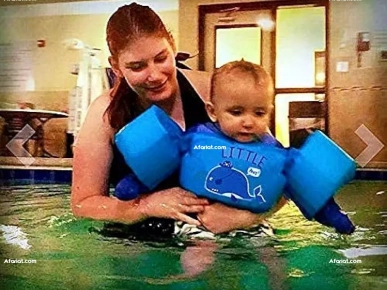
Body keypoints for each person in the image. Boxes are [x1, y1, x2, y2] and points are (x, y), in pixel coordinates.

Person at [71, 3, 284, 236]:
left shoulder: (212, 91)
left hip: (220, 239)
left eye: (161, 58)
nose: (154, 75)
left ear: (172, 46)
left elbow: (280, 176)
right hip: (140, 244)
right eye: (137, 66)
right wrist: (144, 206)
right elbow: (83, 204)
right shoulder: (104, 114)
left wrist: (242, 217)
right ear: (116, 67)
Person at [116, 60, 355, 234]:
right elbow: (162, 161)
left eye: (259, 113)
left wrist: (335, 218)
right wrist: (133, 186)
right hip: (200, 224)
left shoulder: (279, 155)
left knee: (272, 260)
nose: (248, 121)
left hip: (253, 223)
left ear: (269, 113)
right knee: (198, 256)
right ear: (212, 111)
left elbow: (310, 189)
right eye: (236, 112)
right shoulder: (195, 139)